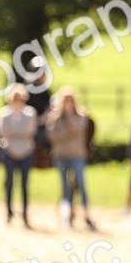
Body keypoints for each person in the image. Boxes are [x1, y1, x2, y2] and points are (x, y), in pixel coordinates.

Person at [46, 87, 96, 230]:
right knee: (65, 187)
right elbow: (53, 136)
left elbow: (76, 129)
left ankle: (86, 213)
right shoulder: (54, 118)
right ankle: (66, 215)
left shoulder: (81, 116)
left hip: (77, 155)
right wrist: (66, 131)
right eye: (66, 101)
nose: (68, 103)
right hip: (61, 155)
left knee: (81, 184)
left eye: (70, 100)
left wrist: (67, 122)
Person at [0, 84, 38, 226]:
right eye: (15, 98)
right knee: (9, 183)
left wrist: (13, 130)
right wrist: (19, 131)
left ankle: (25, 212)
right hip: (9, 152)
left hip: (25, 152)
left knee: (24, 184)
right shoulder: (4, 113)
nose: (17, 101)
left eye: (19, 98)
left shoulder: (30, 113)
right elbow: (1, 131)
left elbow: (30, 130)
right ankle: (8, 211)